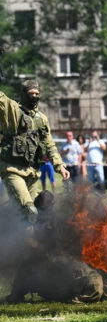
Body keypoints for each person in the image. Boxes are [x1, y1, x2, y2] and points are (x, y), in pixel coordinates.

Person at [0, 80, 69, 223]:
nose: (34, 96)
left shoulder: (41, 119)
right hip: (13, 171)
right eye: (30, 93)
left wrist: (60, 166)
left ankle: (27, 242)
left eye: (37, 94)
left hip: (32, 173)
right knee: (29, 210)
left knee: (43, 206)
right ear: (23, 94)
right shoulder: (12, 110)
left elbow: (49, 145)